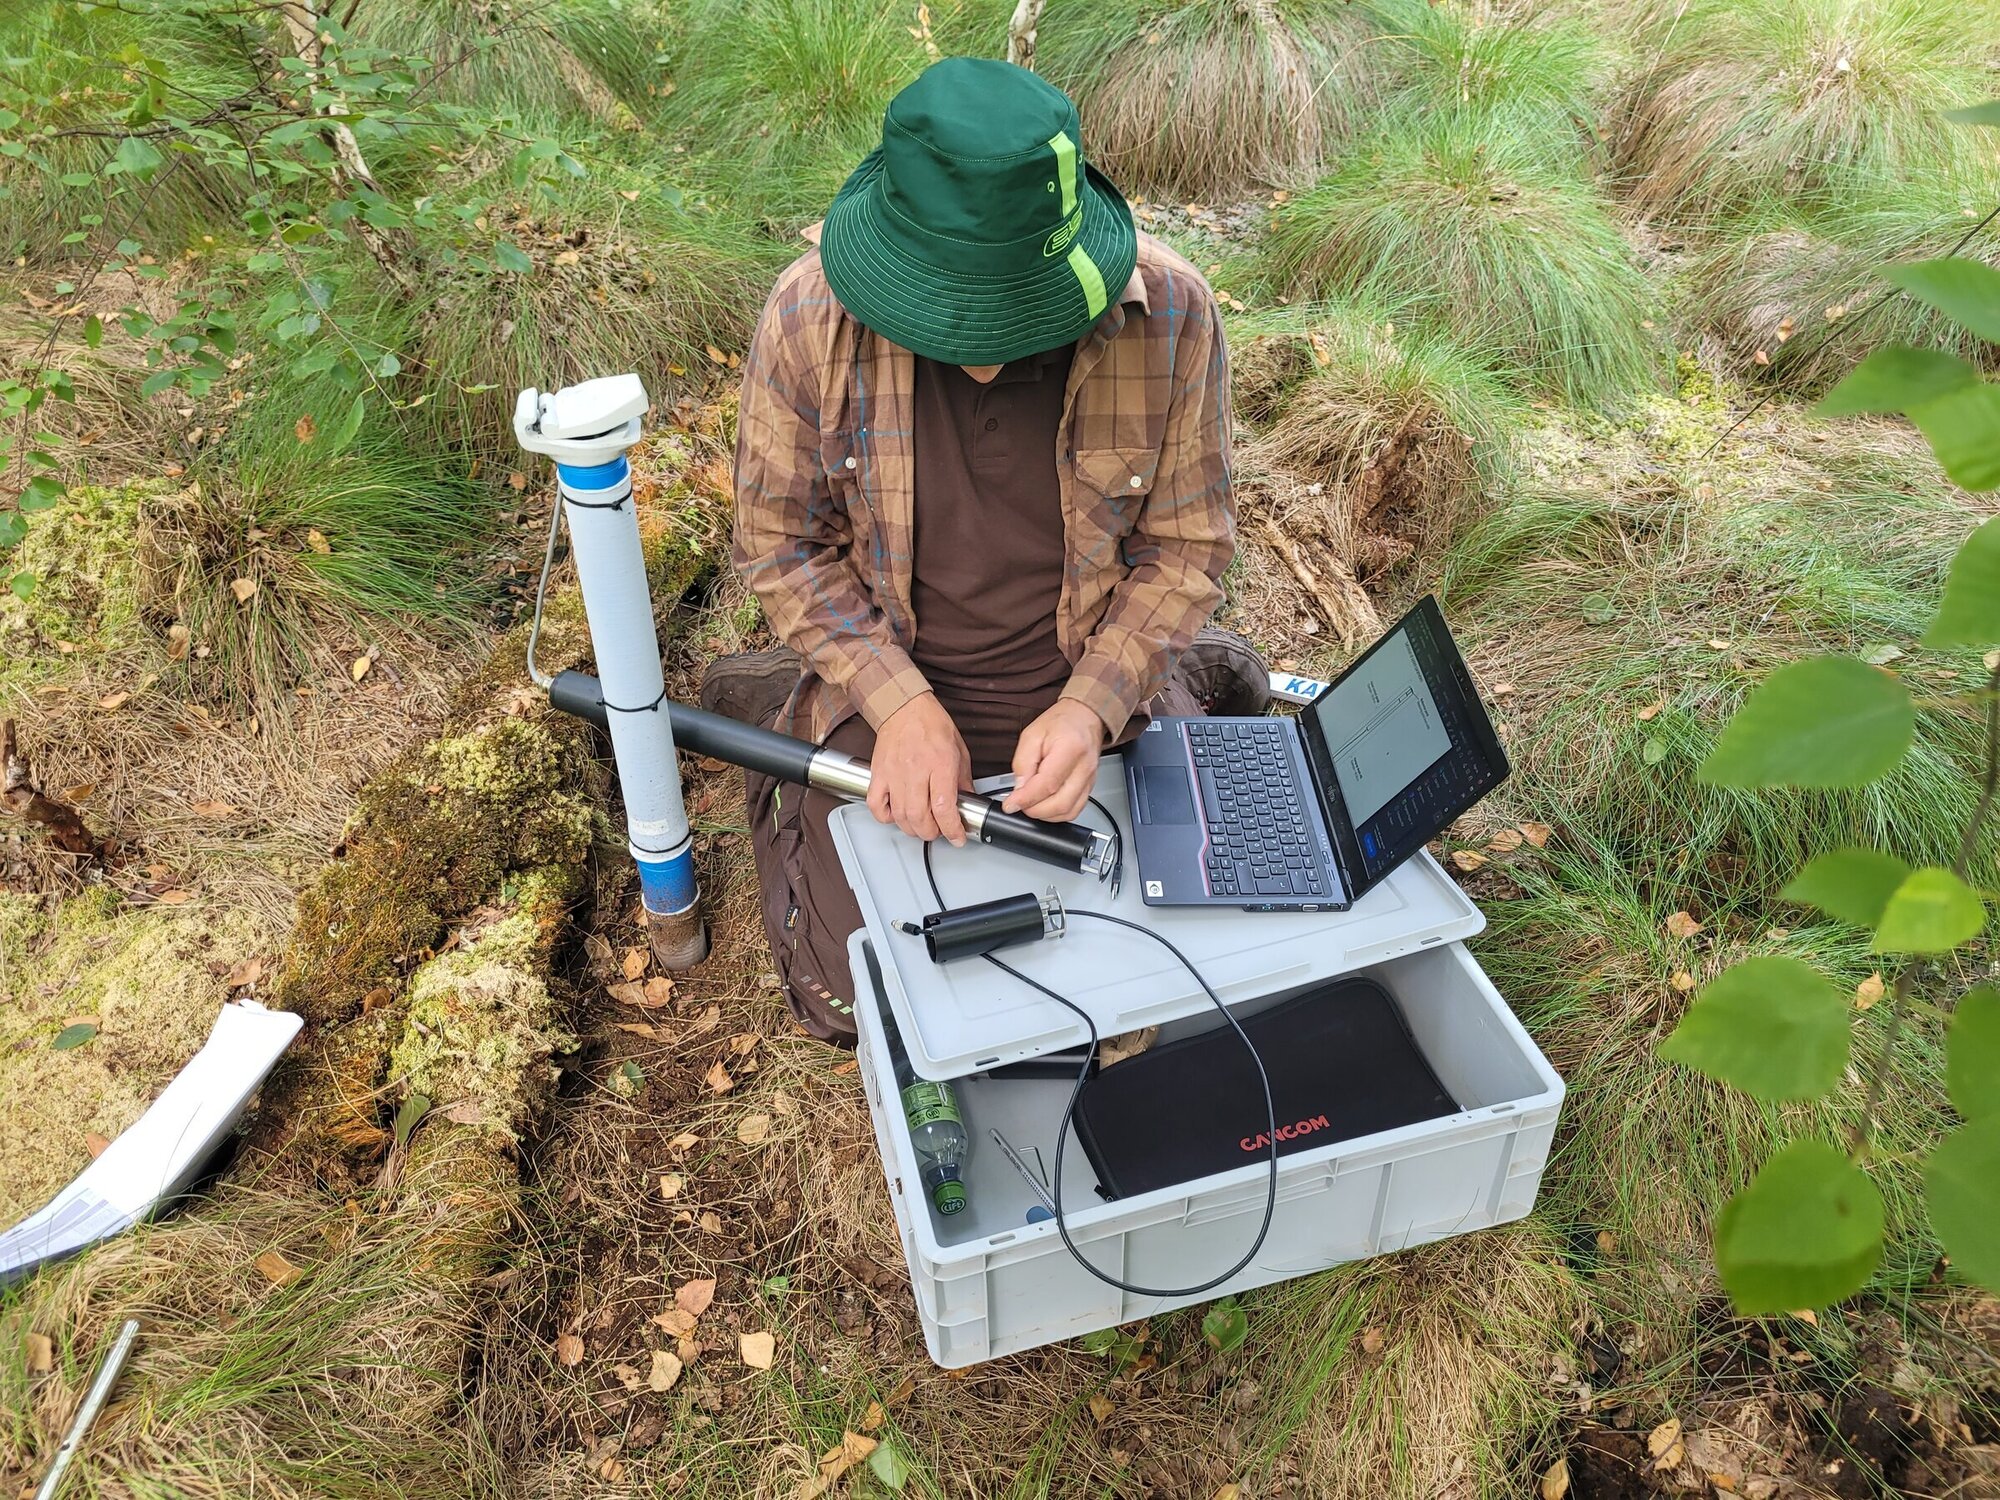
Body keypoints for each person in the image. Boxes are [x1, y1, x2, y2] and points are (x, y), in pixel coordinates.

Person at [704, 56, 1268, 1045]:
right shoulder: (806, 318)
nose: (982, 343)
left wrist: (1092, 707)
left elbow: (1186, 551)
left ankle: (1204, 679)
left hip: (1093, 679)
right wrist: (899, 705)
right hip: (894, 680)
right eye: (945, 309)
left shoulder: (1172, 314)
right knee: (861, 1007)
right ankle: (785, 722)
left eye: (1014, 309)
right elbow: (781, 547)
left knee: (1192, 959)